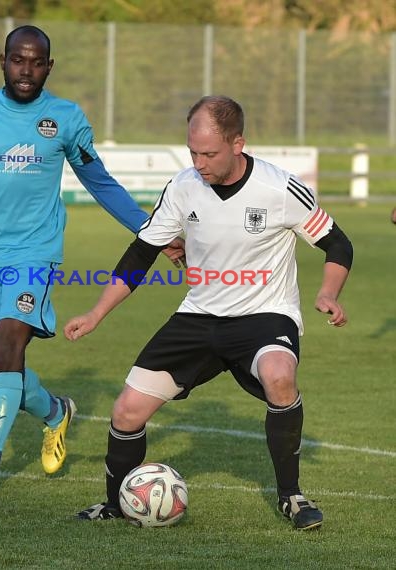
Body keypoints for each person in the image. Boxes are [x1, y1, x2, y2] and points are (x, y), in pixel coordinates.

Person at [0, 25, 184, 498]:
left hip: (34, 253)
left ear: (49, 67)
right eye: (19, 60)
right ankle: (56, 413)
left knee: (9, 345)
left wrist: (151, 230)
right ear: (3, 60)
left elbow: (100, 182)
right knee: (3, 369)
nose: (27, 71)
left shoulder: (64, 118)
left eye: (37, 63)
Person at [64, 95, 353, 530]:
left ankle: (291, 497)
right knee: (126, 412)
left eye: (209, 153)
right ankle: (116, 504)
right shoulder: (183, 187)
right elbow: (141, 253)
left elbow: (338, 243)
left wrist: (329, 292)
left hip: (265, 315)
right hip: (198, 317)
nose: (199, 162)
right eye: (192, 151)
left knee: (279, 374)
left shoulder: (278, 188)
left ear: (238, 144)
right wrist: (96, 313)